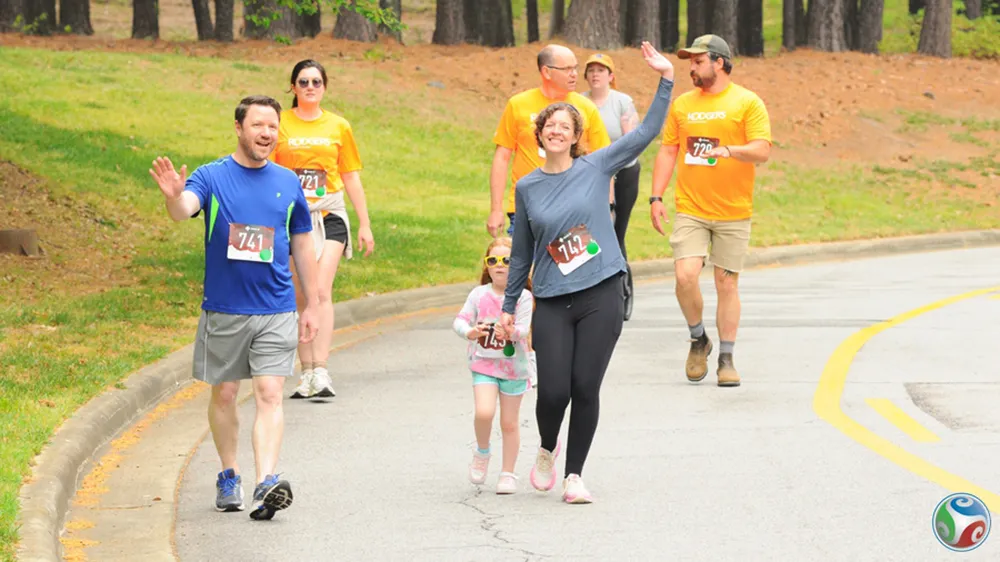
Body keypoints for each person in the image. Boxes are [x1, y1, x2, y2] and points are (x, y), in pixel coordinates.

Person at [500, 41, 675, 504]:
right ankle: (546, 446)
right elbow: (520, 256)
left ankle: (574, 475)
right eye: (550, 125)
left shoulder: (596, 166)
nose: (557, 130)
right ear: (539, 135)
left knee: (585, 385)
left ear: (576, 136)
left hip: (602, 291)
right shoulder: (528, 187)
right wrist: (507, 306)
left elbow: (647, 133)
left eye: (566, 125)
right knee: (553, 391)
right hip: (554, 299)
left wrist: (666, 78)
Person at [148, 95, 320, 520]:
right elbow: (183, 209)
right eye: (258, 125)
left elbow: (301, 241)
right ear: (239, 128)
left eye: (273, 127)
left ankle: (266, 482)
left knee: (269, 392)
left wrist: (312, 303)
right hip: (225, 308)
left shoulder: (287, 180)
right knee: (224, 393)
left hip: (276, 307)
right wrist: (173, 197)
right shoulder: (211, 177)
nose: (266, 134)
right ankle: (229, 473)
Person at [648, 34, 772, 388]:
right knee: (686, 275)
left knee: (726, 282)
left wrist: (730, 151)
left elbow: (762, 150)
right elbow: (669, 151)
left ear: (719, 62)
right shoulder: (683, 104)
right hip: (691, 208)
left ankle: (727, 358)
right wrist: (655, 198)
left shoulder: (747, 102)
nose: (692, 68)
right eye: (690, 62)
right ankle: (698, 338)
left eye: (699, 61)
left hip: (734, 210)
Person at [270, 59, 375, 400]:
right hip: (291, 215)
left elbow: (350, 176)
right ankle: (306, 373)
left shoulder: (338, 126)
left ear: (325, 87)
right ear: (293, 87)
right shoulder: (280, 123)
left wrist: (365, 223)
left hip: (329, 211)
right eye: (303, 81)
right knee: (302, 295)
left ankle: (322, 369)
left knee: (321, 290)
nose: (310, 87)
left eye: (316, 81)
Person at [488, 44, 612, 238]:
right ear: (546, 71)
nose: (574, 74)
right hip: (526, 208)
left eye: (576, 68)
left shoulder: (586, 108)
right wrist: (495, 210)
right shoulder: (518, 105)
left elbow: (604, 163)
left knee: (573, 267)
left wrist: (607, 207)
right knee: (525, 267)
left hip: (574, 209)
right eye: (567, 69)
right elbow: (502, 157)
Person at [453, 237, 535, 495]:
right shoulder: (478, 295)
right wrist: (470, 332)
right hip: (484, 365)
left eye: (507, 260)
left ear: (518, 265)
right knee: (484, 413)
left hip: (514, 368)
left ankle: (508, 473)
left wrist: (511, 332)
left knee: (510, 423)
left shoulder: (523, 297)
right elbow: (459, 321)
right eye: (493, 260)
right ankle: (482, 450)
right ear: (486, 266)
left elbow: (523, 329)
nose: (499, 265)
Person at [582, 53, 642, 321]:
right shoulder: (580, 103)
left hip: (623, 172)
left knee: (616, 231)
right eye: (591, 70)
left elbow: (632, 139)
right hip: (592, 174)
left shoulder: (622, 102)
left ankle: (622, 290)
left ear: (611, 76)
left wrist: (612, 164)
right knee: (589, 232)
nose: (596, 74)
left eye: (601, 70)